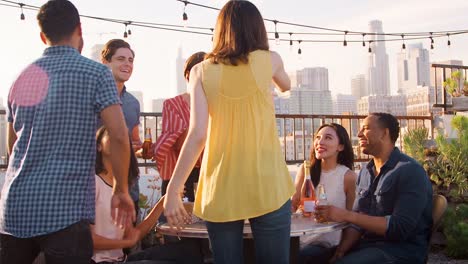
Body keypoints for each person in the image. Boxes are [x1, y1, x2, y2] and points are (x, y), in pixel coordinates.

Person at [0, 1, 134, 263]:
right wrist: (120, 188)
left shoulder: (21, 78)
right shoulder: (96, 74)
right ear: (79, 28)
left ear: (42, 36)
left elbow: (11, 145)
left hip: (15, 207)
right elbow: (118, 135)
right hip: (66, 210)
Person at [163, 1, 294, 263]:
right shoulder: (271, 60)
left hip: (220, 186)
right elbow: (286, 86)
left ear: (220, 31)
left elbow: (197, 134)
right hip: (268, 183)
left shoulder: (200, 71)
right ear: (259, 29)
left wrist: (173, 190)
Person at [315, 113, 433, 264]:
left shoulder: (410, 171)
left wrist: (345, 215)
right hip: (366, 246)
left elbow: (399, 227)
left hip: (400, 252)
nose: (359, 134)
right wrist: (341, 250)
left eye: (366, 129)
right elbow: (357, 223)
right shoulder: (366, 171)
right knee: (307, 257)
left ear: (385, 133)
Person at [92, 127, 202, 264]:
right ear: (98, 146)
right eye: (111, 134)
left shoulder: (121, 188)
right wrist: (124, 242)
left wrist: (163, 202)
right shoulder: (93, 183)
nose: (118, 138)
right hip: (102, 262)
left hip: (122, 259)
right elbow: (90, 241)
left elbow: (132, 235)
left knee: (191, 250)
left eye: (123, 137)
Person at [291, 123, 356, 264]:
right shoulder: (306, 169)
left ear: (341, 146)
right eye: (318, 137)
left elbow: (353, 219)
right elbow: (293, 203)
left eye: (328, 138)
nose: (320, 142)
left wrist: (341, 251)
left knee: (300, 257)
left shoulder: (348, 177)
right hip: (299, 238)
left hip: (325, 243)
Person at [154, 51, 206, 203]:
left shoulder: (218, 105)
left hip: (208, 172)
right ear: (189, 74)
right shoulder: (172, 105)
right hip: (181, 172)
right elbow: (177, 143)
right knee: (178, 222)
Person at [100, 39, 142, 216]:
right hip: (98, 186)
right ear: (106, 62)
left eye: (130, 60)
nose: (127, 64)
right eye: (121, 59)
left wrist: (142, 149)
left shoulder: (133, 103)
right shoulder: (91, 96)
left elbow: (135, 142)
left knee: (128, 240)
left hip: (129, 185)